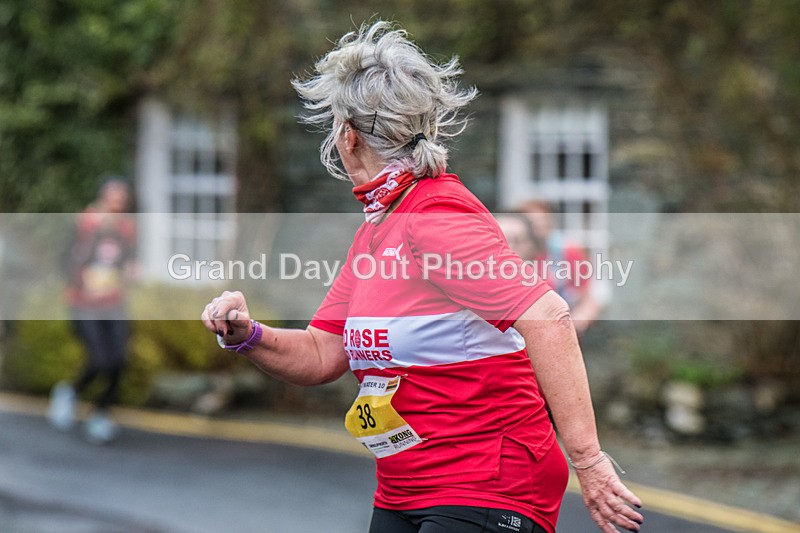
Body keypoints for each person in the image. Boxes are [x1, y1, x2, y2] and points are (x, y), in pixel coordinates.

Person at [202, 21, 642, 533]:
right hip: (405, 484)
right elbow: (323, 354)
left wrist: (589, 463)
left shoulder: (434, 215)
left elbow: (549, 316)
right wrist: (247, 336)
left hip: (488, 483)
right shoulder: (378, 230)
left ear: (346, 138)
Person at [48, 179, 137, 444]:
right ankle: (70, 392)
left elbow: (128, 261)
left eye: (122, 201)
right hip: (84, 304)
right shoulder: (83, 223)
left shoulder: (128, 229)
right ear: (102, 198)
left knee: (119, 360)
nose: (117, 206)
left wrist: (132, 270)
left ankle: (101, 412)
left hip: (114, 303)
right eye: (113, 200)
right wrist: (79, 280)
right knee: (99, 360)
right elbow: (63, 259)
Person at [518, 200, 603, 336]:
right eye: (533, 224)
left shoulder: (567, 251)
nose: (540, 229)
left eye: (544, 222)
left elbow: (589, 297)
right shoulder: (514, 254)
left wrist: (575, 324)